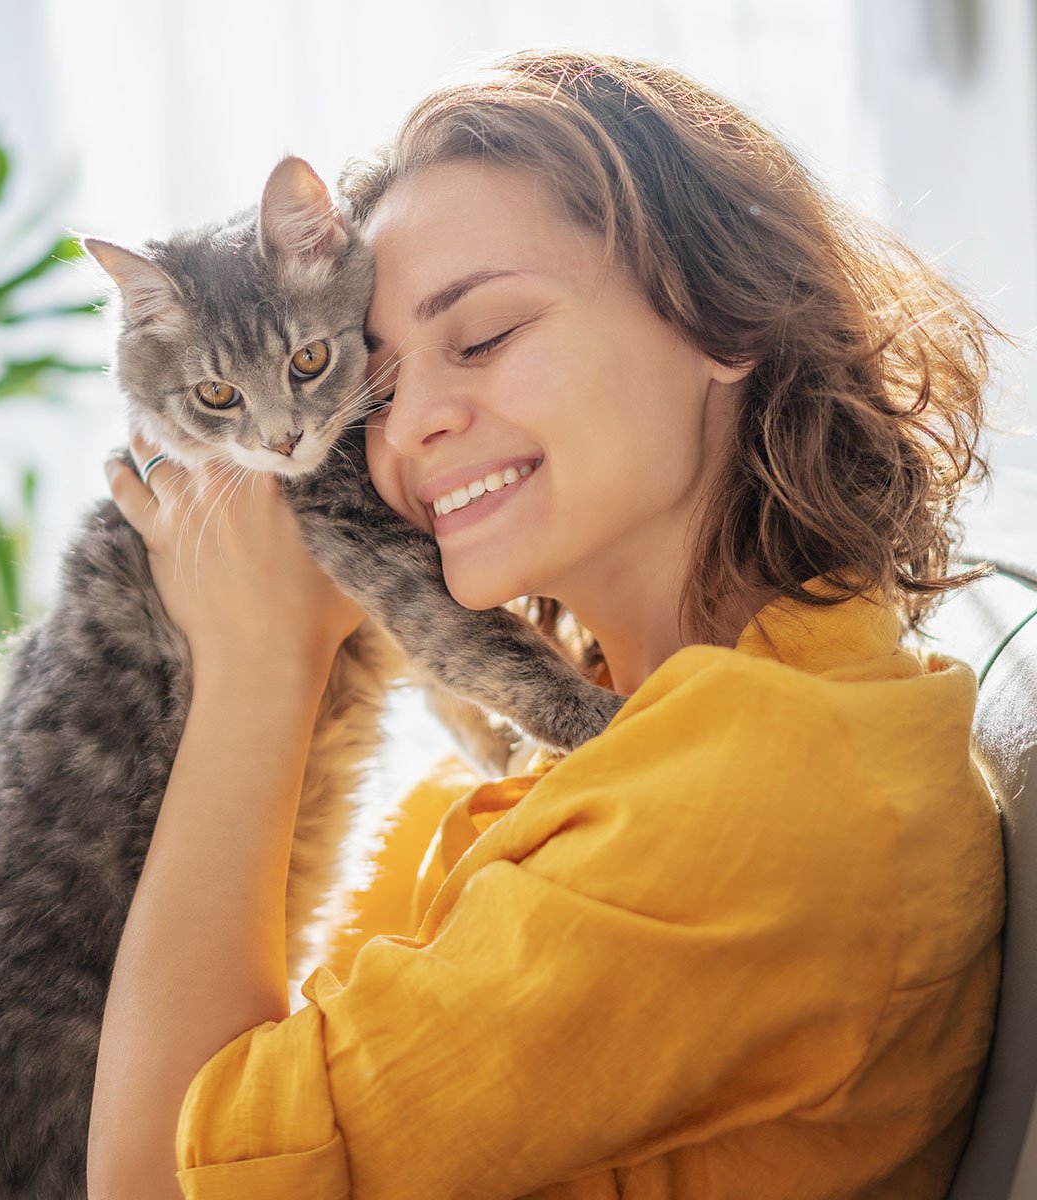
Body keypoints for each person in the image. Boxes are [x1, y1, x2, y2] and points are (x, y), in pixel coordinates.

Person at [86, 50, 1007, 1199]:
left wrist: (258, 669)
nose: (407, 422)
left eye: (481, 338)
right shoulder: (634, 746)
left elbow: (147, 1179)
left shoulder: (755, 799)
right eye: (377, 373)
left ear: (725, 314)